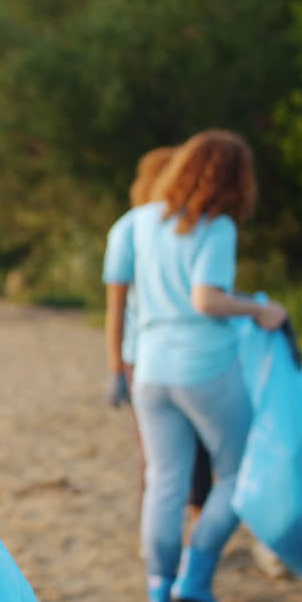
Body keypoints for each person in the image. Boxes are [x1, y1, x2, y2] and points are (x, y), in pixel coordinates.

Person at [102, 130, 287, 602]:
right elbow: (206, 299)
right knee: (237, 474)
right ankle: (197, 577)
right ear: (234, 178)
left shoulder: (140, 221)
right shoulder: (217, 227)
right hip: (205, 366)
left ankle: (158, 594)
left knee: (165, 480)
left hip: (151, 367)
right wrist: (258, 310)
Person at [105, 145, 213, 519]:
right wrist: (116, 366)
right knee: (163, 452)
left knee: (173, 451)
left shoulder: (187, 223)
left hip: (160, 354)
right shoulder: (134, 228)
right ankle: (174, 525)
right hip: (149, 353)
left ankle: (179, 526)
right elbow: (116, 304)